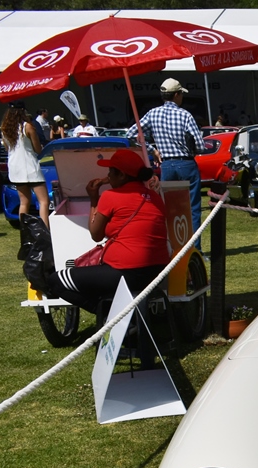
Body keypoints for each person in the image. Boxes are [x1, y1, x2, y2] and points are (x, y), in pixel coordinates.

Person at [44, 149, 168, 317]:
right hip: (157, 271)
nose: (108, 177)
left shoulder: (110, 196)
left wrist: (93, 198)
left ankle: (109, 314)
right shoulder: (154, 197)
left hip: (125, 272)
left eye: (111, 172)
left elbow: (95, 234)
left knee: (55, 281)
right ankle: (119, 313)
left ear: (122, 175)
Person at [128, 78, 204, 250]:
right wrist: (192, 149)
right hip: (186, 164)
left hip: (166, 164)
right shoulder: (185, 115)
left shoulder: (152, 113)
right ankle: (194, 249)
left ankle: (172, 246)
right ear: (176, 95)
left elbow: (131, 135)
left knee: (168, 209)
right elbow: (199, 144)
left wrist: (151, 149)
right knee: (193, 209)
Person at [1, 101, 50, 230]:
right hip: (29, 166)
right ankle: (45, 231)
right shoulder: (27, 126)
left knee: (24, 202)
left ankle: (25, 231)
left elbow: (7, 148)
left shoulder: (4, 129)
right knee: (44, 201)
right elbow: (38, 149)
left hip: (15, 167)